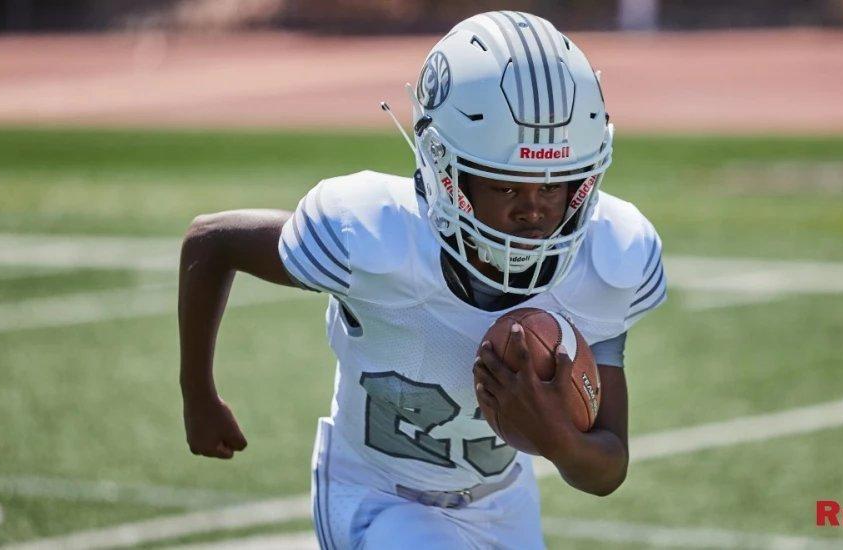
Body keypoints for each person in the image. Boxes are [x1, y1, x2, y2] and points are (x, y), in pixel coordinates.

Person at [179, 11, 666, 549]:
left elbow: (606, 470)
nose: (534, 213)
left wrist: (558, 439)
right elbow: (212, 240)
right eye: (506, 189)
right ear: (444, 170)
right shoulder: (371, 235)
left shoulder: (608, 258)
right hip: (378, 495)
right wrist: (197, 393)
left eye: (554, 188)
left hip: (504, 498)